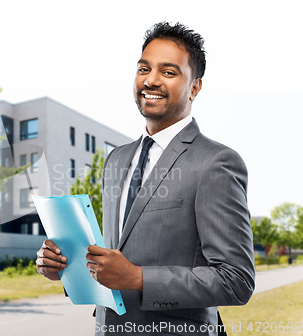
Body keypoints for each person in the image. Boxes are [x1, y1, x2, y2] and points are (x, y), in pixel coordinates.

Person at [36, 22, 255, 335]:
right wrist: (66, 268)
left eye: (168, 72)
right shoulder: (116, 160)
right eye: (143, 68)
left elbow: (236, 280)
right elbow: (113, 257)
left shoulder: (216, 162)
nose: (150, 80)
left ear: (195, 87)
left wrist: (138, 278)